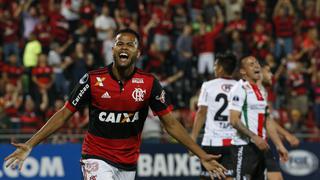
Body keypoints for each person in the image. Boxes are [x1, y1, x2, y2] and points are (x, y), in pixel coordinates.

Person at [4, 29, 226, 180]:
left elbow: (171, 124)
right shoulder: (93, 79)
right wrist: (31, 144)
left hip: (128, 164)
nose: (125, 47)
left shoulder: (149, 83)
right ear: (112, 49)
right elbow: (64, 114)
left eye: (131, 44)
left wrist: (200, 154)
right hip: (95, 156)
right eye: (120, 43)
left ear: (137, 52)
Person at [228, 56, 287, 180]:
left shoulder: (262, 91)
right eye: (251, 64)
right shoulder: (240, 89)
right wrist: (254, 137)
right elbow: (233, 120)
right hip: (244, 147)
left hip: (261, 147)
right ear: (243, 71)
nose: (256, 66)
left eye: (257, 63)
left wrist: (279, 145)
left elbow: (268, 121)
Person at [191, 52, 238, 180]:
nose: (214, 68)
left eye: (215, 65)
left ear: (221, 68)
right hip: (233, 143)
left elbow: (201, 112)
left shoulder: (208, 86)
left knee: (208, 178)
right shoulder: (241, 87)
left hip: (211, 141)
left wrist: (193, 139)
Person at [259, 61, 300, 180]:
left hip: (262, 144)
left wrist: (283, 140)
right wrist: (286, 137)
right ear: (259, 73)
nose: (271, 75)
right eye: (268, 71)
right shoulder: (247, 90)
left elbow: (267, 119)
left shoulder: (263, 91)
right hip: (247, 145)